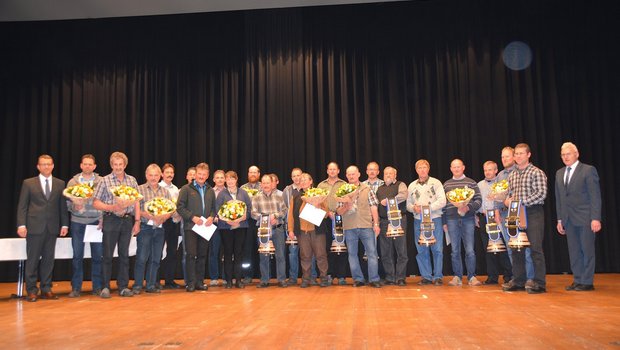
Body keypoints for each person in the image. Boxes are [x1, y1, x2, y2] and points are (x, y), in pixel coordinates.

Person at [16, 154, 69, 302]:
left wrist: (64, 224)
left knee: (48, 260)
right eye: (43, 164)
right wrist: (21, 224)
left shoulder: (60, 183)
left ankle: (46, 288)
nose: (46, 166)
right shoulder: (28, 183)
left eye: (49, 164)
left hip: (52, 227)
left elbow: (62, 207)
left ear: (53, 166)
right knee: (32, 260)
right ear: (38, 167)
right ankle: (32, 290)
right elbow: (22, 206)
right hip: (34, 227)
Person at [93, 151, 141, 298]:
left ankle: (123, 287)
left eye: (120, 164)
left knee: (124, 255)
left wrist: (137, 221)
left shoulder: (132, 181)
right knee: (107, 255)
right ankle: (105, 287)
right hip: (110, 219)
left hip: (127, 220)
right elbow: (95, 202)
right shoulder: (104, 180)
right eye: (115, 164)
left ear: (125, 165)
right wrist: (111, 207)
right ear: (111, 165)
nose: (118, 167)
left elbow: (137, 201)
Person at [555, 142, 602, 291]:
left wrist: (595, 218)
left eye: (568, 154)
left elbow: (595, 196)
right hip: (568, 219)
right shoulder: (559, 173)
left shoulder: (588, 170)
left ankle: (587, 281)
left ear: (576, 154)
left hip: (585, 217)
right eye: (563, 154)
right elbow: (559, 198)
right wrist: (560, 219)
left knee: (587, 249)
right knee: (574, 250)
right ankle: (578, 279)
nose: (565, 157)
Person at [502, 143, 548, 294]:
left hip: (532, 212)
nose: (518, 156)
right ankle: (519, 280)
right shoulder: (512, 175)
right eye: (516, 154)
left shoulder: (536, 172)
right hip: (515, 213)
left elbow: (541, 194)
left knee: (535, 248)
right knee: (517, 248)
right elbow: (509, 193)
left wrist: (520, 202)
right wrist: (507, 200)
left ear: (528, 155)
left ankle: (539, 282)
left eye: (522, 153)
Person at [336, 165, 381, 288]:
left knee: (372, 253)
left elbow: (373, 207)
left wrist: (376, 224)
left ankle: (374, 279)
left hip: (366, 225)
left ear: (359, 174)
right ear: (346, 176)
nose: (351, 176)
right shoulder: (342, 190)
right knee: (352, 254)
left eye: (353, 173)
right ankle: (358, 279)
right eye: (349, 174)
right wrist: (346, 206)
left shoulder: (367, 189)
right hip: (349, 227)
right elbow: (339, 212)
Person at [133, 164, 174, 294]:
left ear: (160, 176)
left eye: (156, 175)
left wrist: (163, 217)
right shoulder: (139, 190)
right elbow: (135, 209)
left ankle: (151, 285)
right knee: (142, 257)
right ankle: (138, 285)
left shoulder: (165, 192)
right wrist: (148, 215)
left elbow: (171, 210)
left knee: (156, 258)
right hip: (145, 227)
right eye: (150, 175)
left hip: (160, 228)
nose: (153, 178)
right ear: (146, 176)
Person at [66, 154, 103, 298]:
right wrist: (75, 207)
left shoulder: (100, 182)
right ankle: (76, 288)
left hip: (96, 222)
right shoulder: (72, 182)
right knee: (77, 256)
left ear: (94, 167)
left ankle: (97, 287)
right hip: (77, 222)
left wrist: (102, 218)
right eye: (85, 164)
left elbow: (105, 200)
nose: (87, 166)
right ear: (81, 165)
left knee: (97, 257)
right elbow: (67, 203)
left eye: (90, 164)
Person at [497, 147, 535, 285]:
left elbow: (520, 194)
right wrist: (497, 211)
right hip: (504, 214)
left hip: (520, 213)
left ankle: (530, 277)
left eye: (507, 156)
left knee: (525, 246)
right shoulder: (500, 175)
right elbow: (498, 195)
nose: (504, 159)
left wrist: (512, 200)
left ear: (513, 157)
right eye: (502, 157)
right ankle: (518, 277)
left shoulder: (519, 172)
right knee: (511, 247)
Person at [177, 162, 216, 292]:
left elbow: (214, 209)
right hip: (191, 227)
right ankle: (190, 283)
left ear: (207, 175)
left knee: (202, 255)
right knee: (191, 255)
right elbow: (180, 207)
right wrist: (192, 217)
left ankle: (200, 282)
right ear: (195, 174)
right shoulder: (186, 189)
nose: (201, 176)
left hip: (205, 228)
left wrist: (211, 217)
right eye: (199, 174)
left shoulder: (210, 190)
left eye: (204, 174)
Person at [442, 159, 483, 287]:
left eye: (458, 166)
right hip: (451, 219)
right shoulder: (446, 184)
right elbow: (443, 205)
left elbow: (478, 200)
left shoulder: (471, 183)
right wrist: (444, 222)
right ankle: (457, 276)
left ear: (463, 167)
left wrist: (467, 207)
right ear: (450, 169)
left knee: (470, 249)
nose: (456, 169)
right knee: (454, 250)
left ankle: (472, 276)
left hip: (468, 219)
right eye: (454, 167)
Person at [407, 159, 446, 286]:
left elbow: (442, 201)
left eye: (424, 167)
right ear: (416, 170)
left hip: (434, 219)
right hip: (418, 220)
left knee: (437, 248)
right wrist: (414, 208)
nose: (422, 170)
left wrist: (426, 208)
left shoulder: (436, 183)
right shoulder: (412, 185)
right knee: (421, 249)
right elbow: (408, 204)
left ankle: (438, 276)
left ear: (428, 169)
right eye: (419, 168)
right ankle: (426, 276)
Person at [288, 173, 330, 288]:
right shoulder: (295, 196)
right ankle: (306, 279)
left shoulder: (319, 194)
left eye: (305, 179)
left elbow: (326, 213)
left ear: (311, 181)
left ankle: (324, 278)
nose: (303, 181)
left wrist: (319, 206)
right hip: (302, 231)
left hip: (317, 230)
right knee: (305, 256)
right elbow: (290, 215)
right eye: (301, 180)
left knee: (321, 255)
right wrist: (290, 229)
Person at [476, 161, 512, 285]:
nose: (488, 172)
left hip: (498, 217)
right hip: (485, 218)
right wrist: (476, 215)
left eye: (490, 169)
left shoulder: (501, 183)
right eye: (485, 170)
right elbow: (477, 201)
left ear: (496, 170)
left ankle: (509, 275)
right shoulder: (479, 184)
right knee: (489, 249)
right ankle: (492, 277)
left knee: (503, 248)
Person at [216, 171, 252, 289]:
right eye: (228, 179)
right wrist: (228, 220)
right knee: (227, 253)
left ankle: (238, 280)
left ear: (236, 180)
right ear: (226, 181)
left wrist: (240, 219)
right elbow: (218, 210)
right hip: (226, 227)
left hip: (241, 227)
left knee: (238, 253)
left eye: (233, 179)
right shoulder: (221, 194)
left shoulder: (243, 193)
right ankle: (229, 280)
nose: (230, 181)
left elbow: (249, 209)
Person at [251, 174, 287, 288]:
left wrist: (275, 216)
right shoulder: (256, 197)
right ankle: (264, 280)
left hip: (278, 229)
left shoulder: (279, 196)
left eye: (268, 183)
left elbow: (284, 211)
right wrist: (265, 218)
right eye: (264, 183)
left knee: (280, 255)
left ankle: (281, 279)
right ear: (261, 184)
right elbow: (253, 213)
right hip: (263, 230)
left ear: (272, 184)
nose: (266, 185)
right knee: (263, 255)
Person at [375, 166, 408, 286]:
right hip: (384, 221)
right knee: (385, 251)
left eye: (390, 173)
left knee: (401, 249)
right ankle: (390, 276)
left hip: (399, 220)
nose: (388, 175)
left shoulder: (401, 185)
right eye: (386, 173)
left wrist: (389, 200)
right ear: (383, 175)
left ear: (395, 174)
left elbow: (404, 196)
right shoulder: (379, 189)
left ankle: (400, 277)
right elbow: (377, 207)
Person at [317, 162, 348, 285]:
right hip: (325, 219)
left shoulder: (344, 184)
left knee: (341, 247)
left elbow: (347, 201)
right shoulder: (321, 185)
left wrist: (338, 212)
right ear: (327, 171)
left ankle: (341, 276)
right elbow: (317, 202)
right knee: (327, 248)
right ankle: (329, 274)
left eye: (334, 169)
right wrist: (327, 212)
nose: (332, 171)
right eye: (330, 169)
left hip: (340, 218)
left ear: (338, 171)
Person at [159, 163, 182, 289]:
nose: (169, 175)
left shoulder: (175, 188)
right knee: (158, 251)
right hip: (162, 222)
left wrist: (177, 215)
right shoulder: (159, 187)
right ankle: (156, 281)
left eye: (171, 173)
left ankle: (169, 280)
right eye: (167, 172)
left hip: (174, 222)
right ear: (162, 174)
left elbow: (178, 205)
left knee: (172, 252)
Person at [240, 165, 261, 284]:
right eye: (250, 172)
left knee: (262, 248)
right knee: (247, 249)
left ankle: (262, 274)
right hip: (246, 222)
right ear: (248, 174)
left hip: (259, 221)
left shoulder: (263, 186)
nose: (252, 174)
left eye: (255, 172)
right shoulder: (242, 188)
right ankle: (247, 275)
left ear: (259, 174)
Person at [282, 168, 303, 285]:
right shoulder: (287, 190)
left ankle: (311, 276)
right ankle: (293, 277)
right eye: (294, 176)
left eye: (298, 175)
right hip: (293, 227)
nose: (296, 178)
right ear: (291, 178)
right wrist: (289, 228)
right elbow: (285, 209)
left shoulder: (307, 189)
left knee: (309, 253)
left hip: (306, 226)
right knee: (293, 253)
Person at [209, 169, 226, 287]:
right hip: (213, 225)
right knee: (213, 251)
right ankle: (214, 277)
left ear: (225, 179)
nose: (219, 180)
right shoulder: (209, 191)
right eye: (217, 178)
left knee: (226, 251)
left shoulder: (229, 191)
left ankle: (226, 277)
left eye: (222, 177)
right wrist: (212, 217)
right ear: (214, 179)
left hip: (226, 225)